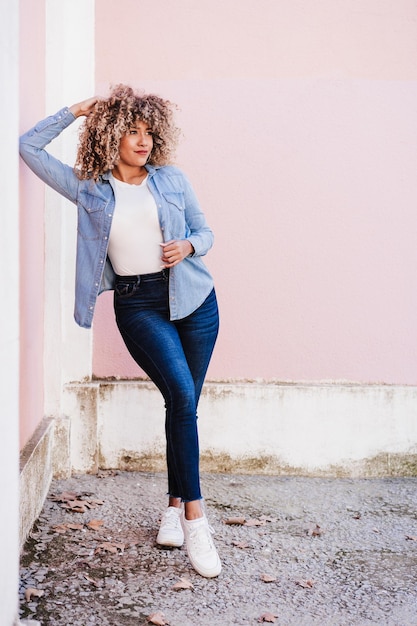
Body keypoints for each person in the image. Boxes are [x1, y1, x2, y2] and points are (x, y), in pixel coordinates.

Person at [19, 84, 221, 578]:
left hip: (194, 299)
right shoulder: (88, 186)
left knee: (184, 405)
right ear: (111, 135)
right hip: (139, 304)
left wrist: (189, 248)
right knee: (179, 393)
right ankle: (196, 518)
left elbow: (206, 232)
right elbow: (28, 146)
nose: (142, 140)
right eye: (131, 130)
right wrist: (76, 110)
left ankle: (173, 507)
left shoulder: (172, 179)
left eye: (148, 131)